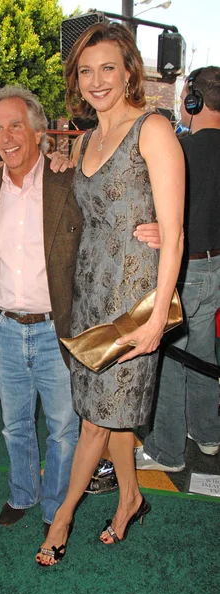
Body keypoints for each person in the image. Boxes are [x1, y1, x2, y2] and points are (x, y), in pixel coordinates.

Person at [36, 22, 185, 565]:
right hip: (91, 293)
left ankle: (62, 518)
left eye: (107, 68)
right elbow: (91, 207)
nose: (96, 80)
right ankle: (130, 498)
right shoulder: (88, 138)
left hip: (133, 302)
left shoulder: (154, 129)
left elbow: (176, 232)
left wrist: (155, 321)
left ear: (129, 72)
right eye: (85, 70)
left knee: (95, 420)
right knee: (112, 411)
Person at [0, 86, 81, 532]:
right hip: (2, 327)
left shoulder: (67, 179)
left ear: (39, 131)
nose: (7, 136)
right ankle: (23, 493)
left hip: (55, 328)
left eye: (16, 124)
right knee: (14, 423)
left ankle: (55, 508)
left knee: (63, 428)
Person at [135, 66, 220, 471]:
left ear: (193, 101)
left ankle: (166, 450)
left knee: (170, 357)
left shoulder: (181, 150)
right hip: (216, 267)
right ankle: (207, 434)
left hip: (185, 269)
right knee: (203, 352)